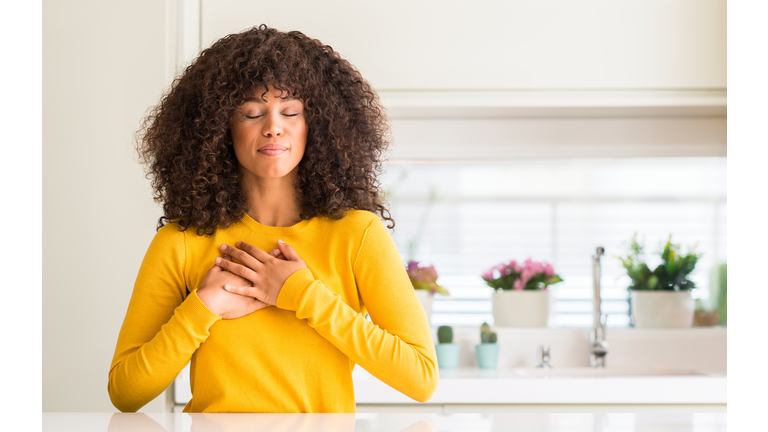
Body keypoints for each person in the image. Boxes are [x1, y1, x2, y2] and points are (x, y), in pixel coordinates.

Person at [108, 25, 438, 413]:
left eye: (291, 111)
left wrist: (302, 294)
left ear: (317, 124)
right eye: (251, 112)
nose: (272, 126)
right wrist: (204, 306)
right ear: (218, 128)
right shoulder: (183, 242)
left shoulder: (358, 234)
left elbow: (420, 377)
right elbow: (126, 392)